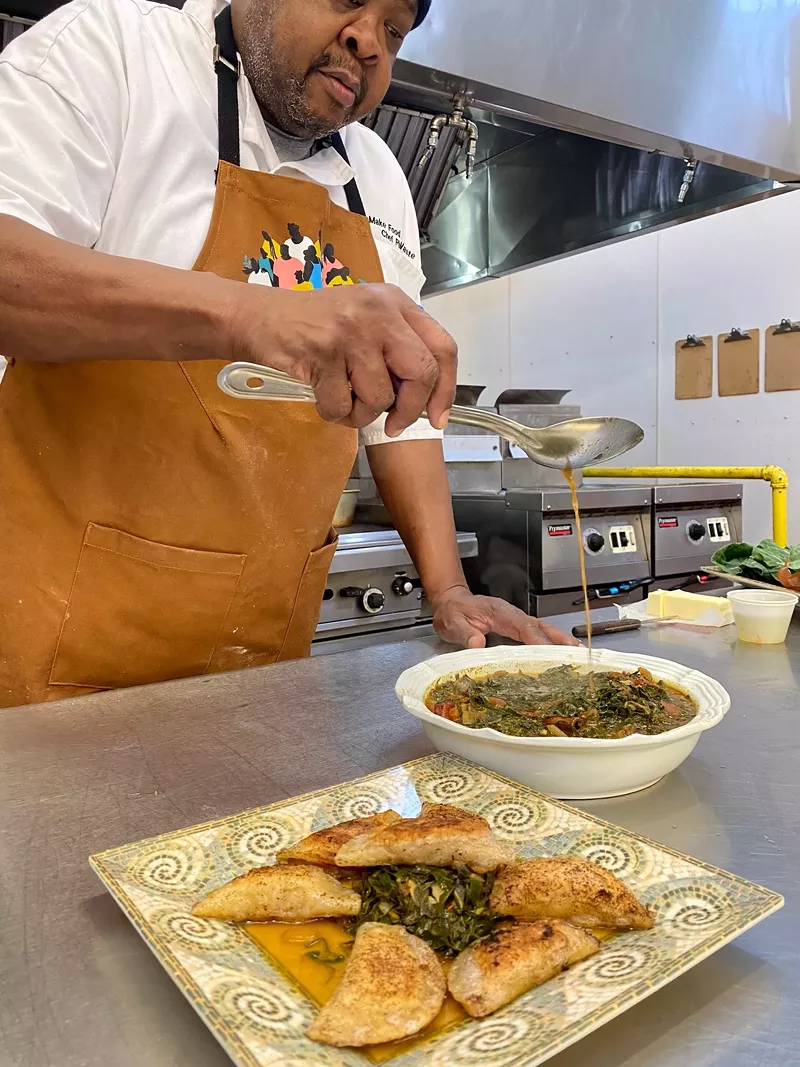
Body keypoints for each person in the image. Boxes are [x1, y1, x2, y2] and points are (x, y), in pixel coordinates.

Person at [0, 0, 576, 709]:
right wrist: (254, 312)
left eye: (394, 33)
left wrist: (449, 588)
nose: (368, 41)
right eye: (345, 2)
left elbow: (401, 415)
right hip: (58, 661)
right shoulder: (115, 53)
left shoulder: (381, 180)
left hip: (264, 675)